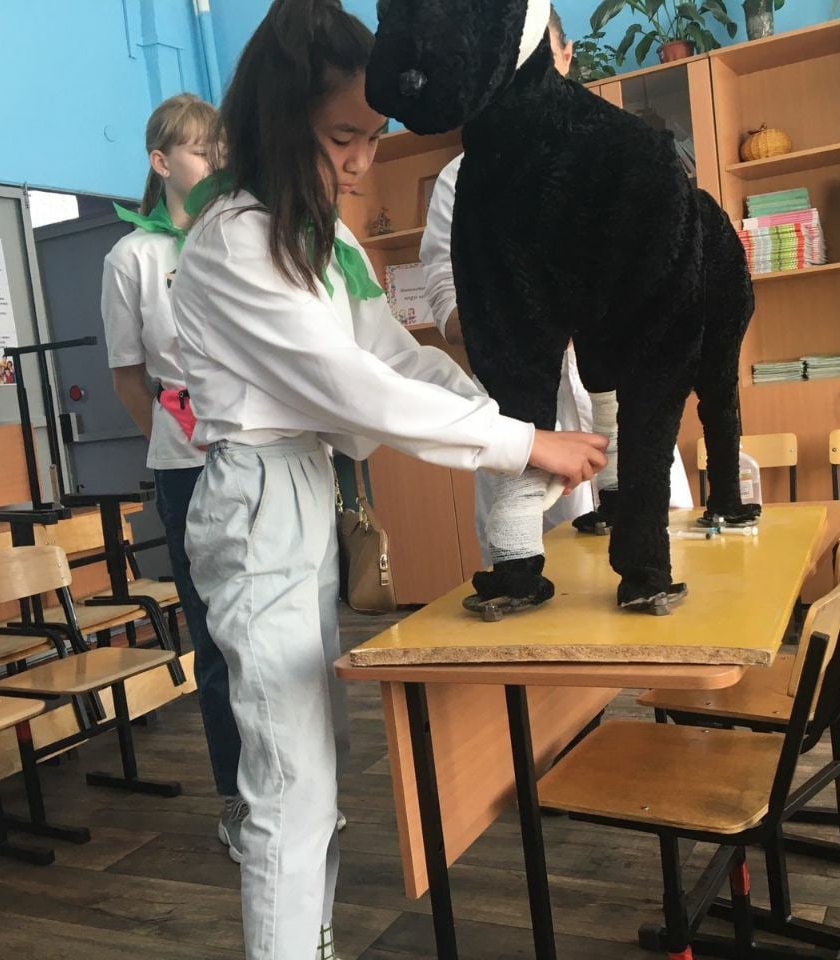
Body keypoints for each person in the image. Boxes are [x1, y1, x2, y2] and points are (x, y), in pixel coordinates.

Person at [169, 2, 607, 956]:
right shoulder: (235, 241)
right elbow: (355, 388)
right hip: (258, 498)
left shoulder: (317, 236)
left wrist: (511, 414)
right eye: (343, 139)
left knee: (311, 770)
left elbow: (395, 356)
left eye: (373, 137)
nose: (363, 163)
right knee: (289, 785)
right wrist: (519, 444)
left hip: (299, 491)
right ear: (281, 120)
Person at [419, 5, 693, 569]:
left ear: (564, 57)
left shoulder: (617, 151)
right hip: (525, 419)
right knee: (533, 569)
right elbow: (449, 305)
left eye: (536, 55)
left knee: (653, 559)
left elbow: (663, 272)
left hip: (623, 403)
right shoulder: (460, 179)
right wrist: (529, 328)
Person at [100, 93, 248, 862]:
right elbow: (129, 376)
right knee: (218, 639)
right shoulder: (132, 257)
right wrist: (173, 436)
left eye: (221, 148)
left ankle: (292, 787)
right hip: (186, 468)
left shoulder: (239, 233)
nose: (217, 160)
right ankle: (238, 798)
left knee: (279, 631)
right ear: (162, 161)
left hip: (259, 452)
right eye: (200, 149)